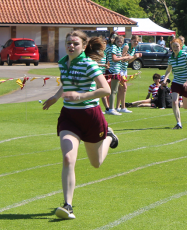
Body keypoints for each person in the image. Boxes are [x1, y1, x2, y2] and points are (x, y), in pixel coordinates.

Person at [43, 31, 118, 219]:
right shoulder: (63, 62)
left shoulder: (89, 64)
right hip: (69, 117)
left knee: (96, 163)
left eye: (75, 43)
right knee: (68, 159)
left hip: (90, 116)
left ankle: (109, 136)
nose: (71, 46)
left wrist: (81, 96)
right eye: (68, 43)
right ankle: (68, 205)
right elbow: (67, 84)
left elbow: (106, 89)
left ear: (84, 46)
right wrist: (55, 96)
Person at [162, 38, 187, 129]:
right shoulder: (171, 58)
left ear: (180, 46)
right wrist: (165, 79)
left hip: (186, 82)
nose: (175, 48)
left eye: (177, 46)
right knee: (174, 101)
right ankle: (179, 123)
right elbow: (168, 70)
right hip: (176, 82)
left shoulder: (185, 55)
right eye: (173, 46)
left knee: (186, 107)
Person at [104, 34, 135, 116]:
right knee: (113, 91)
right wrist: (123, 58)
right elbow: (114, 59)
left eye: (121, 42)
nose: (120, 43)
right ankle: (111, 108)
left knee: (115, 90)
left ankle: (111, 108)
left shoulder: (117, 48)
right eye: (118, 41)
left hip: (116, 70)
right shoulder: (114, 47)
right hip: (114, 71)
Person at [116, 35, 142, 113]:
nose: (136, 43)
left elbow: (129, 61)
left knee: (121, 89)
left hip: (124, 69)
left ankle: (118, 107)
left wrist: (134, 57)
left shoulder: (133, 49)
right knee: (124, 88)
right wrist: (132, 56)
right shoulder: (126, 46)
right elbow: (122, 59)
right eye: (134, 41)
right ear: (131, 41)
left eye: (137, 41)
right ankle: (122, 107)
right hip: (120, 68)